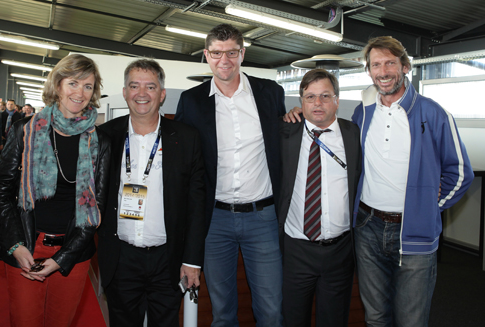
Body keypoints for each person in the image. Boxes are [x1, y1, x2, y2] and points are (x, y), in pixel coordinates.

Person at [286, 36, 474, 327]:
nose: (383, 71)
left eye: (390, 63)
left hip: (414, 233)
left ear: (405, 66)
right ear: (369, 71)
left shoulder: (433, 113)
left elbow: (461, 173)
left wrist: (428, 206)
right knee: (375, 318)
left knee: (411, 320)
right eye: (376, 64)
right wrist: (298, 113)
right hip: (367, 229)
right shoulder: (364, 114)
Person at [0, 53, 110, 327]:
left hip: (73, 252)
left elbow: (96, 208)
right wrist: (15, 246)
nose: (80, 92)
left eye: (88, 86)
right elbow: (0, 191)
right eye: (73, 83)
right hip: (27, 245)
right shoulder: (25, 130)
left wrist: (62, 259)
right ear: (57, 85)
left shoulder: (100, 141)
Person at [175, 23, 285, 326]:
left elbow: (283, 144)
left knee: (272, 311)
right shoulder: (192, 101)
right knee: (222, 313)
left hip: (263, 217)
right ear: (207, 55)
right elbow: (183, 164)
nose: (224, 60)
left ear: (243, 53)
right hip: (214, 221)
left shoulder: (270, 93)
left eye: (232, 53)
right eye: (216, 53)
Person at [97, 59, 206, 327]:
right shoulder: (104, 136)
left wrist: (192, 260)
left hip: (167, 260)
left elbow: (196, 205)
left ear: (162, 94)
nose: (141, 94)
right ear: (124, 92)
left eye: (150, 86)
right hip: (121, 257)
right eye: (134, 86)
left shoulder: (186, 138)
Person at [278, 69, 361, 327]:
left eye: (325, 96)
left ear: (337, 99)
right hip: (296, 250)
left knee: (334, 320)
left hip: (340, 251)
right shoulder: (284, 133)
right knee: (293, 319)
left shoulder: (354, 134)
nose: (317, 103)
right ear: (301, 102)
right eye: (310, 96)